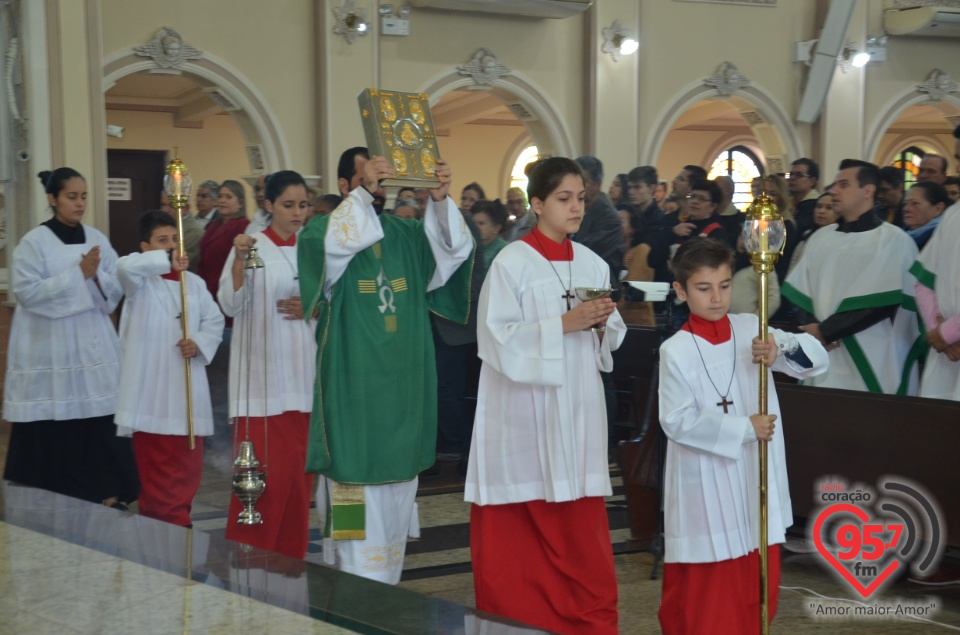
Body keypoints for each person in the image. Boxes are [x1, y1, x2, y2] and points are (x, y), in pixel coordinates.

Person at [298, 148, 474, 583]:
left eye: (383, 178)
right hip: (353, 395)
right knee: (351, 495)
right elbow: (335, 242)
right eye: (367, 177)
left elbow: (454, 252)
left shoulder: (408, 236)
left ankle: (384, 587)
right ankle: (355, 588)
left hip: (403, 396)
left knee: (395, 501)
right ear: (344, 186)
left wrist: (438, 201)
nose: (378, 187)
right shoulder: (321, 233)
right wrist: (362, 195)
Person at [466, 157, 625, 635]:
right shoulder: (511, 263)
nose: (576, 207)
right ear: (537, 204)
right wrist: (563, 325)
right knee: (524, 528)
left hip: (575, 409)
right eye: (563, 198)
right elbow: (493, 339)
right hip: (523, 416)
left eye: (580, 198)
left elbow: (611, 335)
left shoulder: (593, 262)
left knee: (580, 531)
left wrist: (600, 327)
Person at [658, 238, 828, 635]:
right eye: (703, 288)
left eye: (724, 285)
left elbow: (816, 359)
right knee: (710, 597)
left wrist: (778, 345)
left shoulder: (753, 327)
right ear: (681, 291)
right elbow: (676, 420)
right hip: (706, 479)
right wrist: (743, 429)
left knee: (756, 585)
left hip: (754, 477)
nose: (716, 298)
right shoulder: (676, 350)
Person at [3, 168, 139, 507]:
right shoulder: (34, 243)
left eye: (83, 196)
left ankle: (106, 490)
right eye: (71, 196)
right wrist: (77, 275)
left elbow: (113, 287)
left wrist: (94, 280)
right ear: (52, 199)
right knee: (56, 420)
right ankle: (51, 490)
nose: (79, 203)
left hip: (91, 338)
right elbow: (27, 293)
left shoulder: (96, 237)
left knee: (98, 416)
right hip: (51, 343)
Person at [219, 170, 318, 559]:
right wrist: (240, 260)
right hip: (263, 383)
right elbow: (231, 303)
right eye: (288, 205)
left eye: (303, 205)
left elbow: (330, 302)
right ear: (268, 205)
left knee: (298, 483)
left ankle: (289, 569)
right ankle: (252, 566)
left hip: (304, 378)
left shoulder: (313, 248)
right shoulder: (252, 245)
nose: (297, 213)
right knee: (264, 483)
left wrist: (313, 305)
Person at [115, 211, 224, 527]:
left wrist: (200, 343)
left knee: (187, 470)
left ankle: (175, 532)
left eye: (176, 239)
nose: (173, 247)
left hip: (188, 393)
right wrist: (166, 259)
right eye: (163, 241)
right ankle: (168, 536)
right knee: (157, 478)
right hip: (152, 396)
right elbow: (122, 266)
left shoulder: (196, 284)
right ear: (145, 247)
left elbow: (214, 321)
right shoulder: (139, 283)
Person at [783, 159, 921, 395]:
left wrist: (824, 332)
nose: (833, 191)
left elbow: (882, 303)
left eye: (843, 185)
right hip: (823, 350)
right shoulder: (820, 238)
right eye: (836, 184)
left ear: (868, 191)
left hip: (874, 352)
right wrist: (815, 330)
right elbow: (799, 292)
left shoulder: (893, 241)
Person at [910, 189, 960, 400]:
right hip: (947, 356)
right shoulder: (954, 214)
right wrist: (935, 328)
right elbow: (923, 281)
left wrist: (947, 333)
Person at [198, 180, 251, 302]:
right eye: (220, 196)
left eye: (228, 197)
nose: (222, 201)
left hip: (225, 289)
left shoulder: (243, 226)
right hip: (206, 287)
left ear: (240, 203)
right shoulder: (214, 225)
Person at [617, 203, 655, 326]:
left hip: (637, 324)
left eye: (621, 221)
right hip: (617, 322)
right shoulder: (614, 252)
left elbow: (632, 289)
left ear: (633, 228)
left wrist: (606, 311)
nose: (615, 224)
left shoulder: (641, 250)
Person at [902, 181, 949, 250]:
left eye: (915, 203)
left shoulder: (944, 239)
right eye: (905, 203)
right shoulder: (899, 235)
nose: (906, 209)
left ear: (938, 208)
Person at [471, 199, 508, 270]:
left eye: (481, 223)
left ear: (497, 227)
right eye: (473, 223)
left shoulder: (504, 250)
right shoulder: (471, 246)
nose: (476, 227)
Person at [788, 158, 820, 235]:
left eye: (798, 175)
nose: (792, 178)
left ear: (812, 181)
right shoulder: (786, 203)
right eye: (791, 174)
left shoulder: (816, 206)